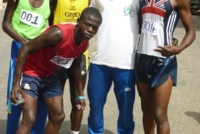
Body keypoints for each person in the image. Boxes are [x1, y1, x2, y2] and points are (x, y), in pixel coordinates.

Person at [9, 7, 102, 134]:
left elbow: (75, 67)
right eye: (88, 25)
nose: (91, 30)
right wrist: (16, 83)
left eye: (95, 27)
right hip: (30, 72)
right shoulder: (58, 33)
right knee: (29, 119)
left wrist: (80, 94)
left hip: (48, 75)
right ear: (79, 21)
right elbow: (25, 48)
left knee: (58, 116)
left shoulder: (84, 43)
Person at [135, 0, 196, 134]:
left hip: (164, 61)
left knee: (159, 114)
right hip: (141, 59)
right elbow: (140, 27)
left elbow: (191, 31)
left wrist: (179, 49)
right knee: (146, 110)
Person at [87, 0, 140, 134]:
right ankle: (95, 132)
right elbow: (88, 18)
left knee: (126, 110)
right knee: (95, 108)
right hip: (99, 61)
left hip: (126, 63)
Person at [2, 0, 52, 133]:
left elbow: (53, 27)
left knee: (40, 98)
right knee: (15, 97)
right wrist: (25, 43)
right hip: (20, 48)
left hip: (40, 51)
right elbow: (6, 24)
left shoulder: (51, 1)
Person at [48, 0, 90, 134]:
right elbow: (50, 20)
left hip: (80, 55)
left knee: (78, 100)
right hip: (58, 54)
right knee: (54, 104)